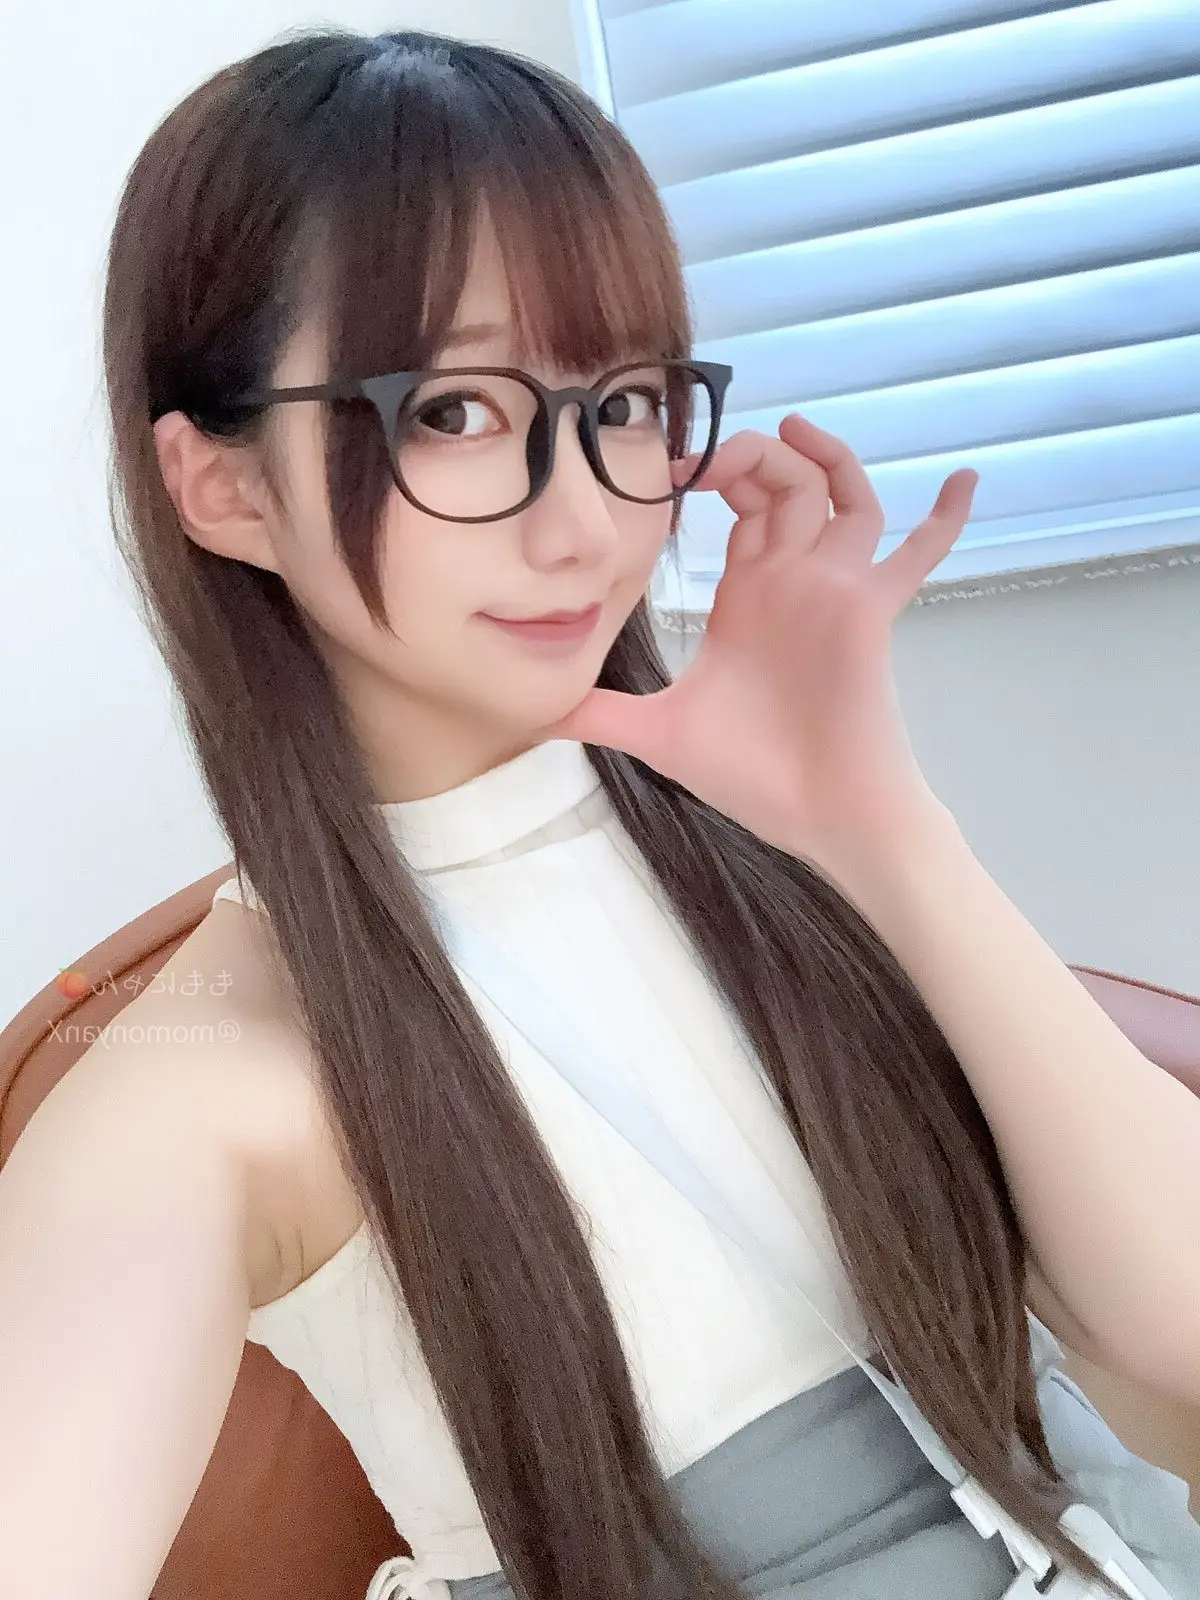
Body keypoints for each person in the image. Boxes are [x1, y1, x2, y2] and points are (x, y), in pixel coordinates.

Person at [0, 25, 1197, 1600]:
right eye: (451, 412)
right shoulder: (217, 1076)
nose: (582, 524)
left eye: (625, 400)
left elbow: (1180, 1330)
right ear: (226, 488)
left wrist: (876, 819)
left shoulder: (770, 841)